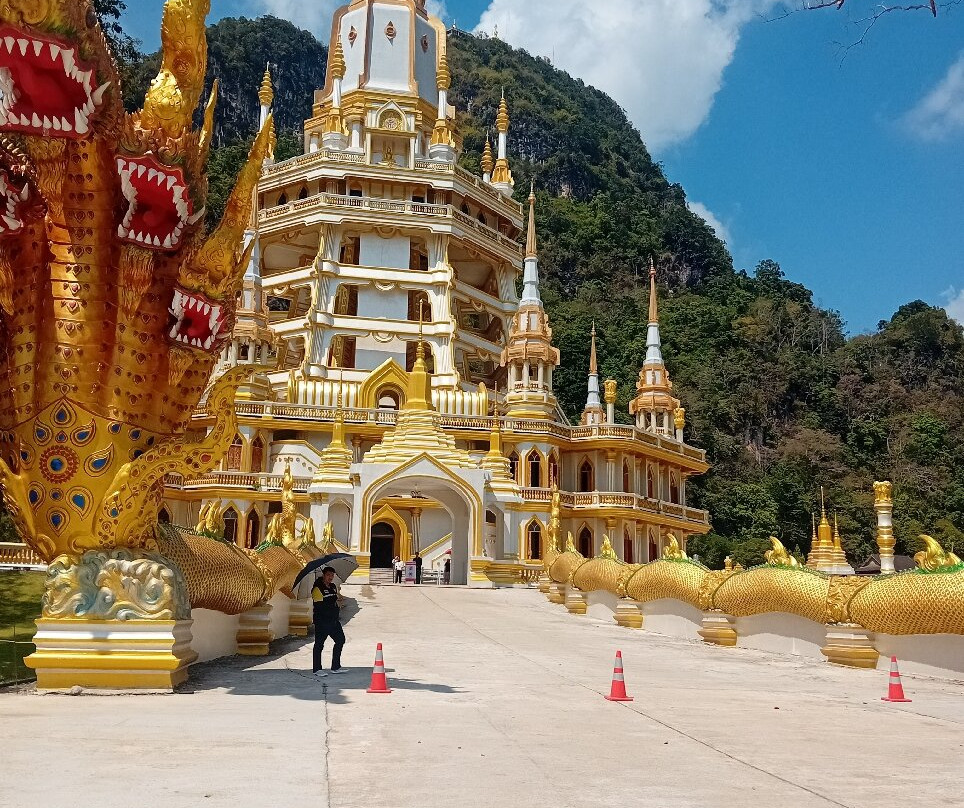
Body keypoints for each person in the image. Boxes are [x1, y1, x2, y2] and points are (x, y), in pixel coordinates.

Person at [311, 566, 346, 677]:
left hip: (333, 620)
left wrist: (339, 600)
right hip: (322, 621)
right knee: (319, 644)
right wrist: (333, 600)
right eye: (328, 575)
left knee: (340, 640)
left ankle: (335, 667)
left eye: (332, 575)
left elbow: (335, 600)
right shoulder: (317, 589)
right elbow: (320, 606)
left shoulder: (333, 587)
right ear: (324, 575)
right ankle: (317, 669)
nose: (330, 577)